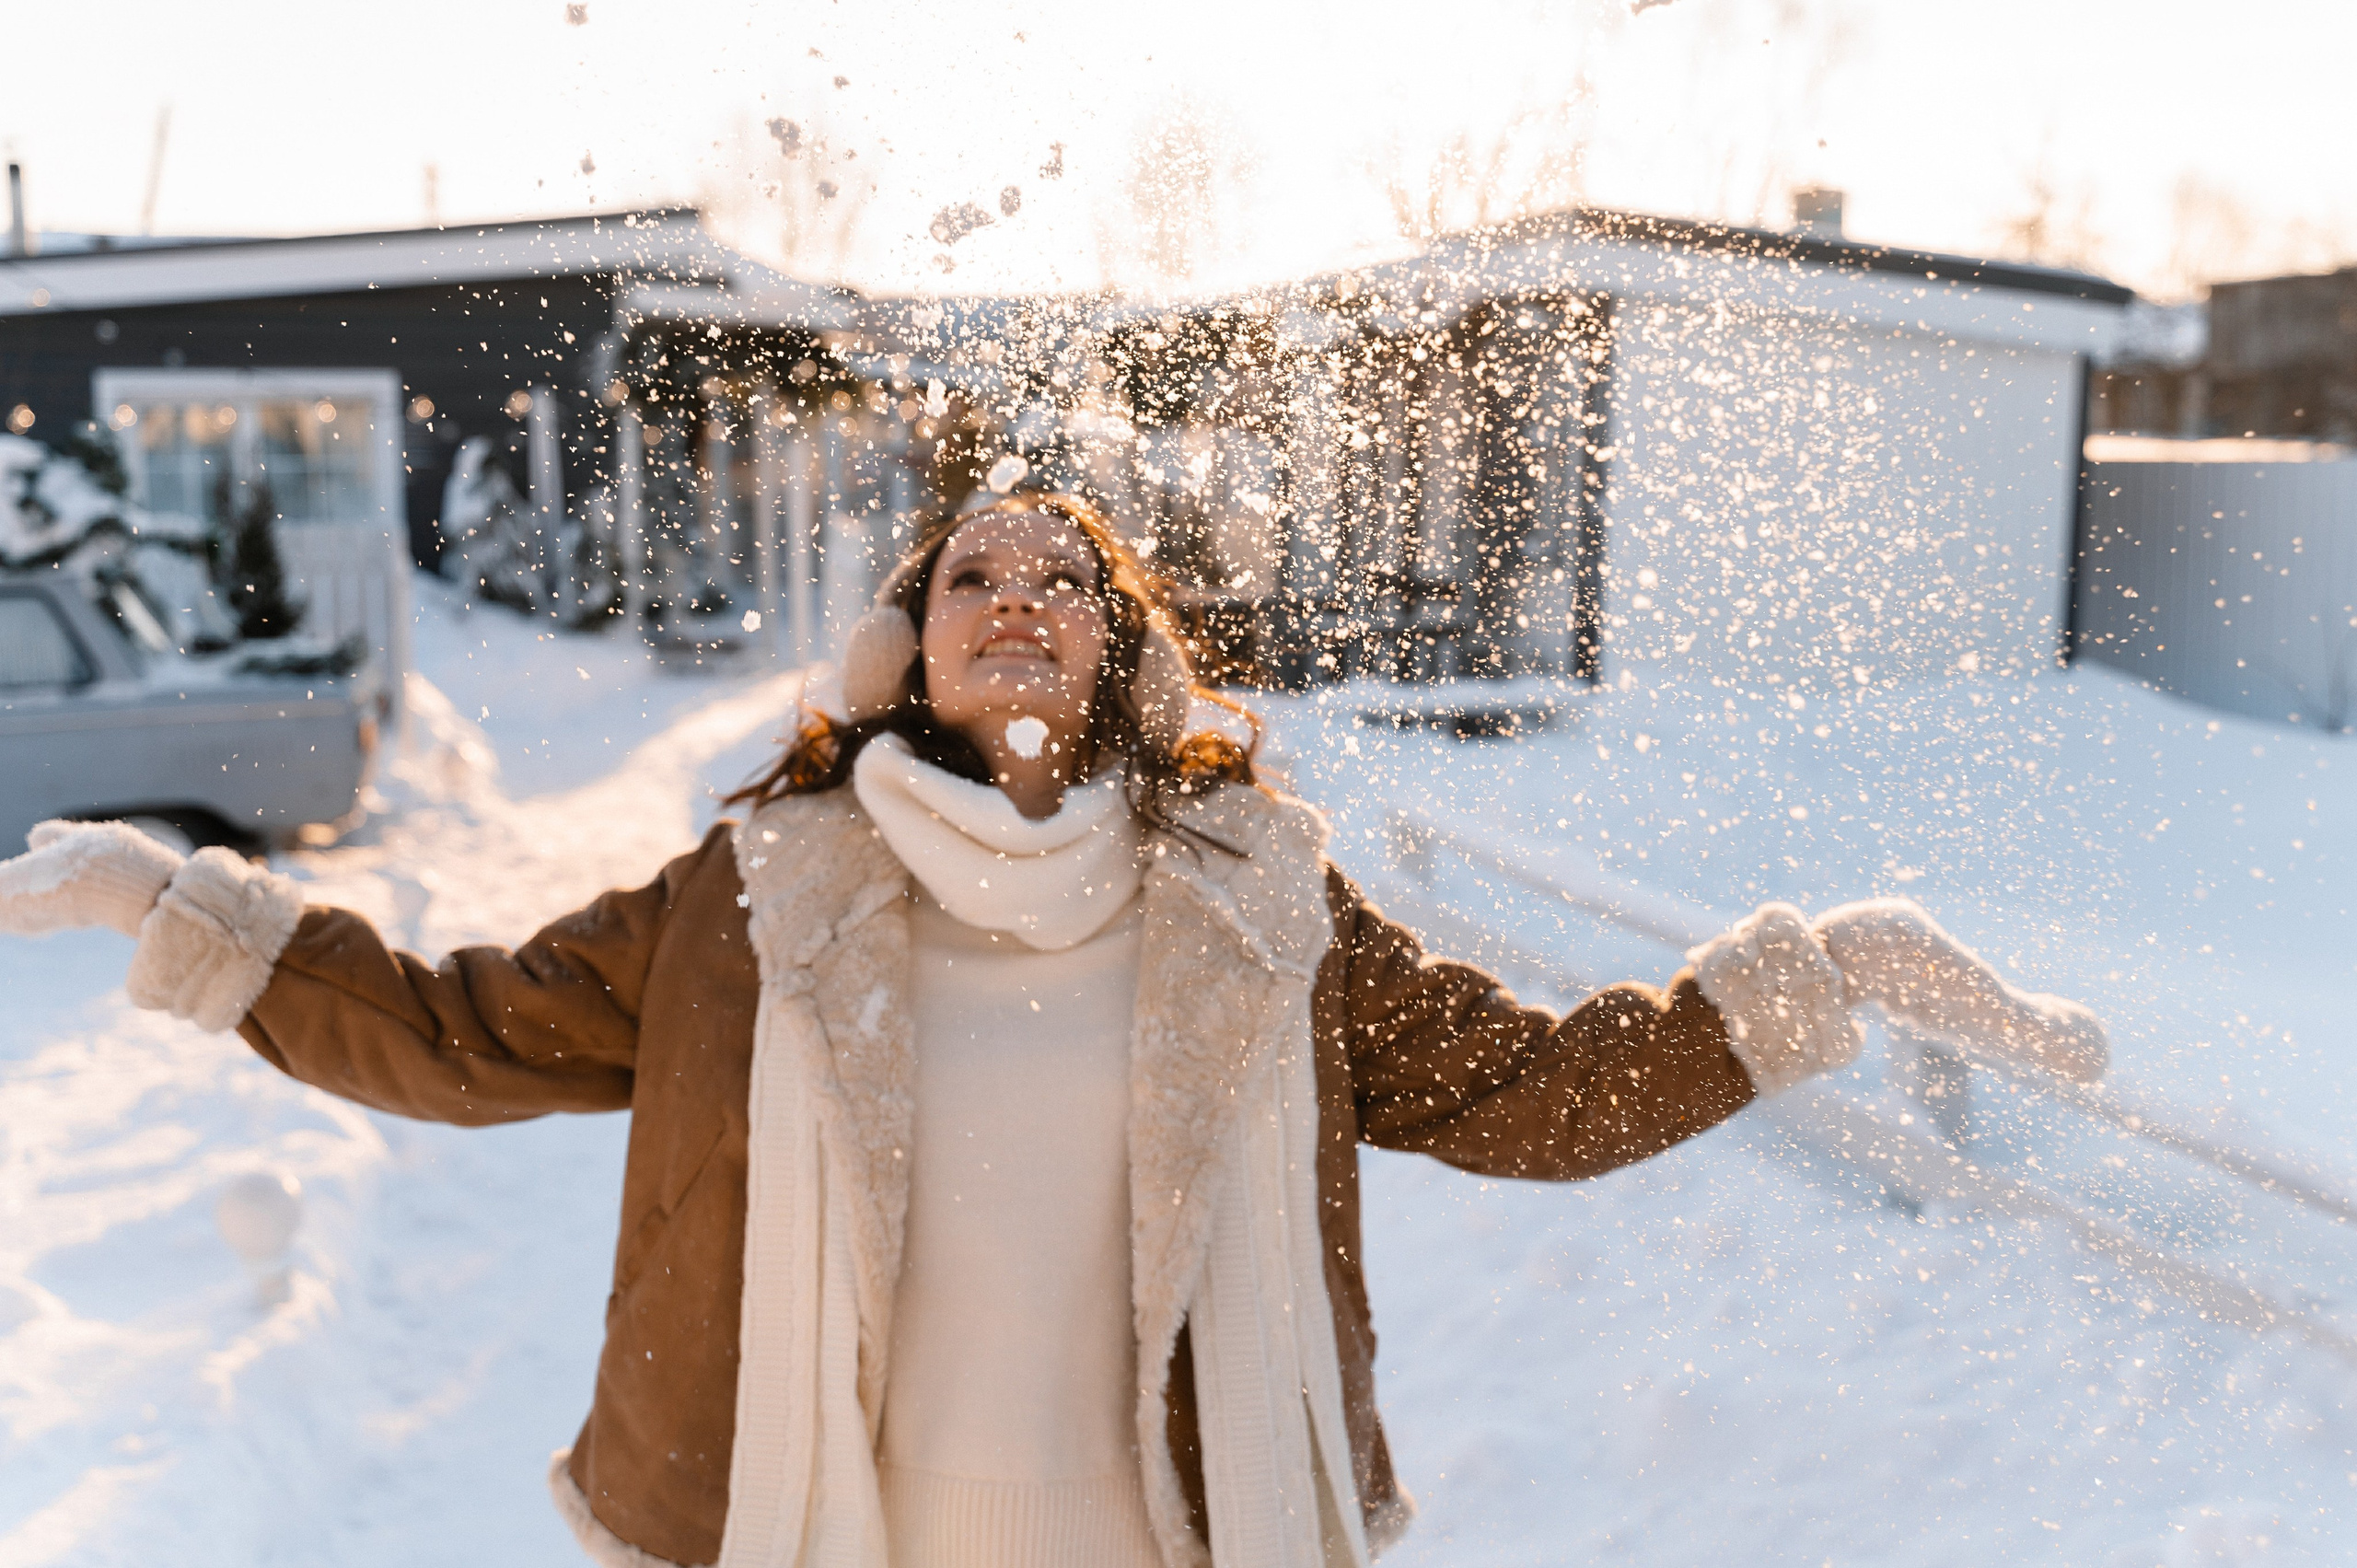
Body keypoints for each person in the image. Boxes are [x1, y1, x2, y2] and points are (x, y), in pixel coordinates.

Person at [0, 489, 2107, 1568]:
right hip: (833, 1533)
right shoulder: (756, 894)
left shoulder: (1255, 901)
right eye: (971, 573)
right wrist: (175, 908)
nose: (1017, 594)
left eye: (1064, 576)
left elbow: (1532, 1097)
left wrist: (1814, 973)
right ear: (905, 646)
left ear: (1119, 651)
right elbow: (457, 1039)